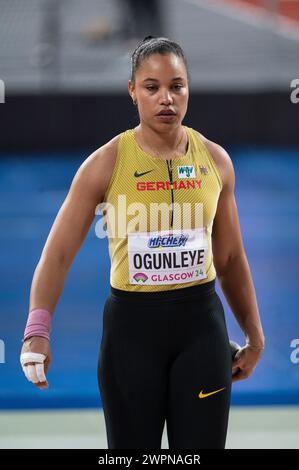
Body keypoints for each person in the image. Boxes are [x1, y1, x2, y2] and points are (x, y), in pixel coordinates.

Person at [20, 36, 265, 449]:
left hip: (201, 331)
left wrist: (255, 338)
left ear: (189, 88)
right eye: (152, 87)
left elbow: (231, 258)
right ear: (133, 92)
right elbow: (57, 254)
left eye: (177, 85)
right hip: (130, 337)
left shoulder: (215, 161)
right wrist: (35, 330)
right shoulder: (105, 164)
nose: (166, 98)